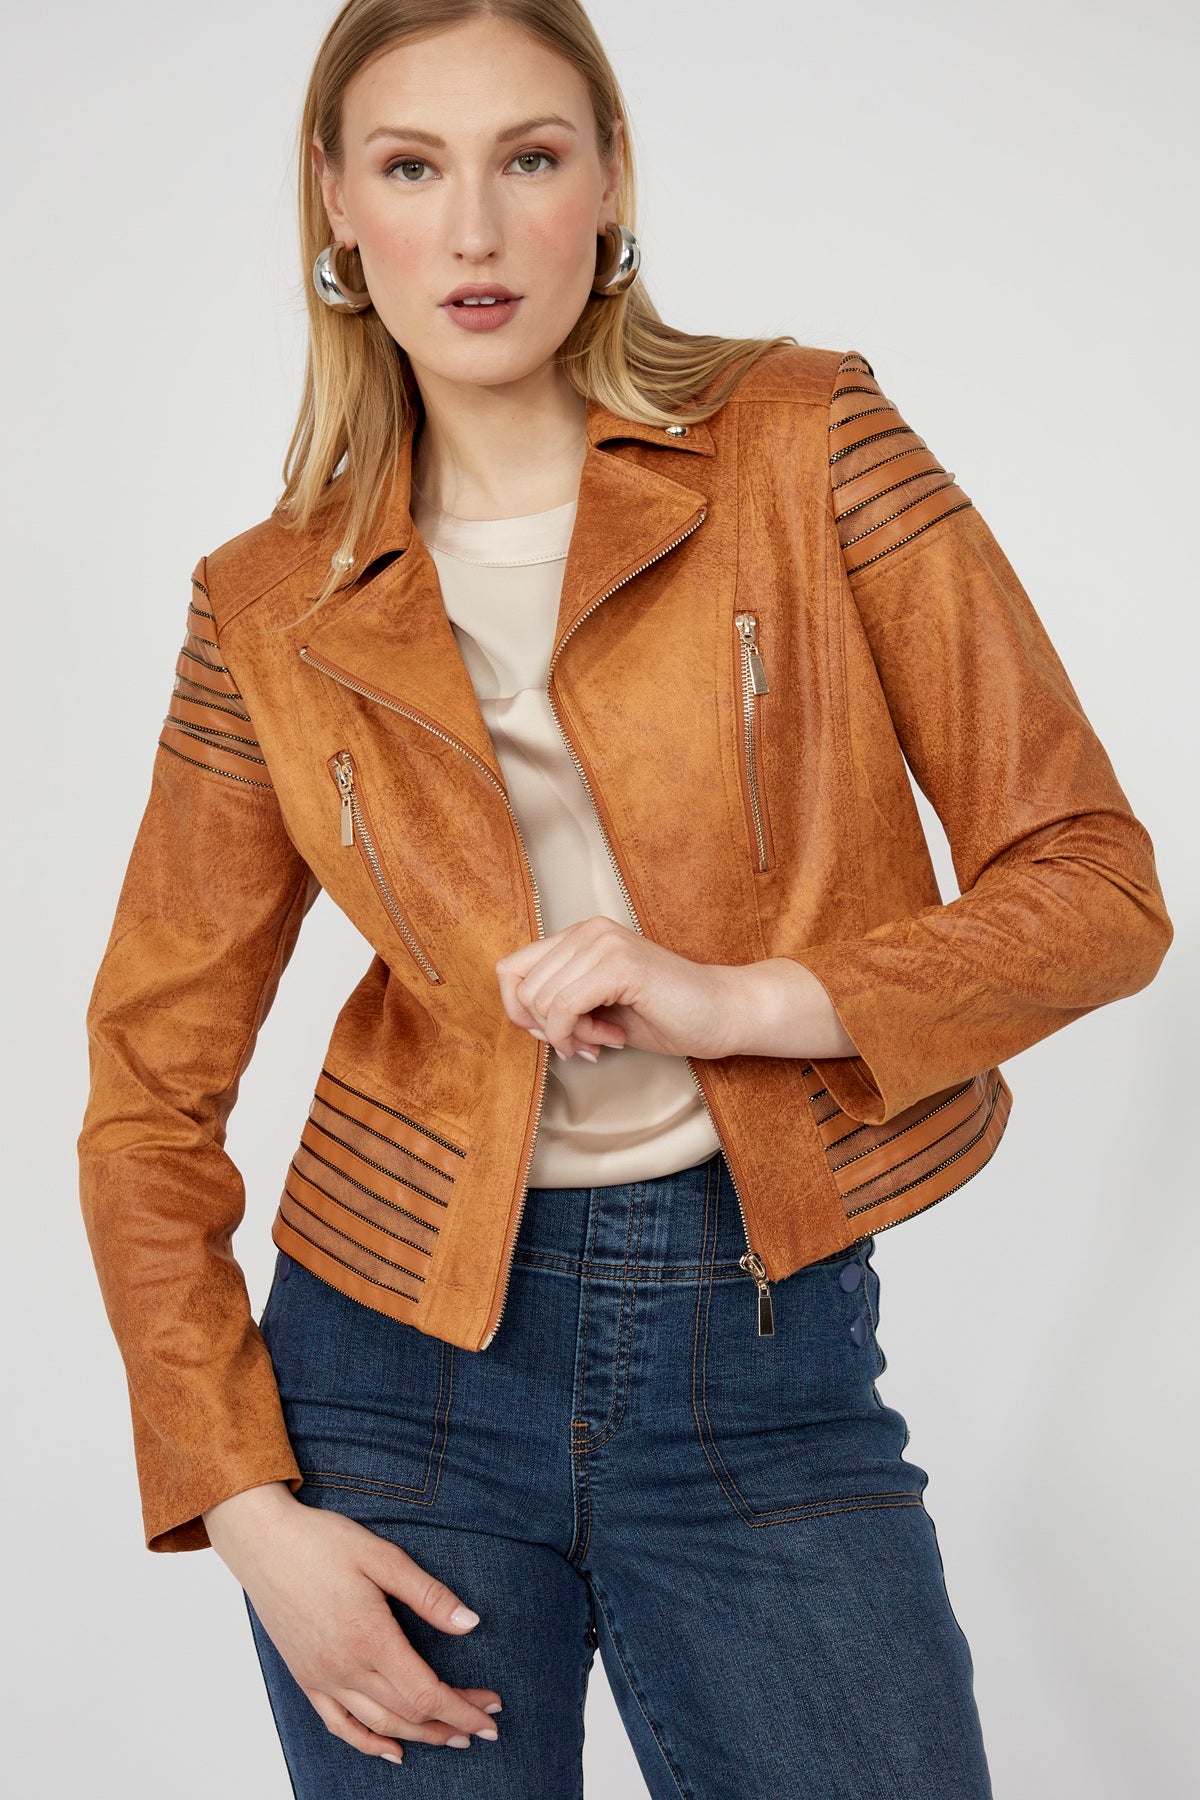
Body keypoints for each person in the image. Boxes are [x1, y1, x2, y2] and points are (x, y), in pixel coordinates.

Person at [77, 1, 1173, 1794]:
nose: (476, 230)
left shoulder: (805, 440)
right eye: (412, 168)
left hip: (763, 1349)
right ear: (337, 203)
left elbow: (1097, 885)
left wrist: (741, 1000)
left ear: (609, 182)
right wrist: (247, 1507)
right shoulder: (267, 603)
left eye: (530, 157)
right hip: (393, 1374)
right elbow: (147, 1090)